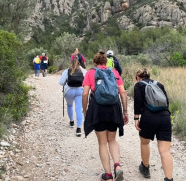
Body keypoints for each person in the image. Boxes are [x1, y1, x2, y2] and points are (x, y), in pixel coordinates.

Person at [82, 51, 128, 181]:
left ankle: (108, 176)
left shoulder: (91, 73)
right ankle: (117, 166)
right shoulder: (114, 72)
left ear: (95, 62)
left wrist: (85, 111)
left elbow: (85, 94)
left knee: (102, 143)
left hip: (98, 109)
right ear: (106, 62)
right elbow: (123, 93)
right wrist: (125, 111)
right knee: (112, 139)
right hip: (114, 108)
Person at [134, 68, 173, 181]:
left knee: (145, 143)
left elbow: (138, 102)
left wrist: (136, 118)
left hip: (148, 118)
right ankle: (169, 178)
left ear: (138, 77)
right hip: (165, 117)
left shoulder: (138, 85)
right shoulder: (159, 84)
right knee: (165, 151)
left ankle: (145, 168)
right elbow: (166, 102)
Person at [59, 54, 87, 136]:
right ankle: (78, 129)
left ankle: (71, 122)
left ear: (71, 61)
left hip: (69, 91)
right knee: (79, 109)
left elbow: (61, 82)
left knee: (70, 105)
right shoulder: (83, 71)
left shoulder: (67, 71)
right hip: (80, 91)